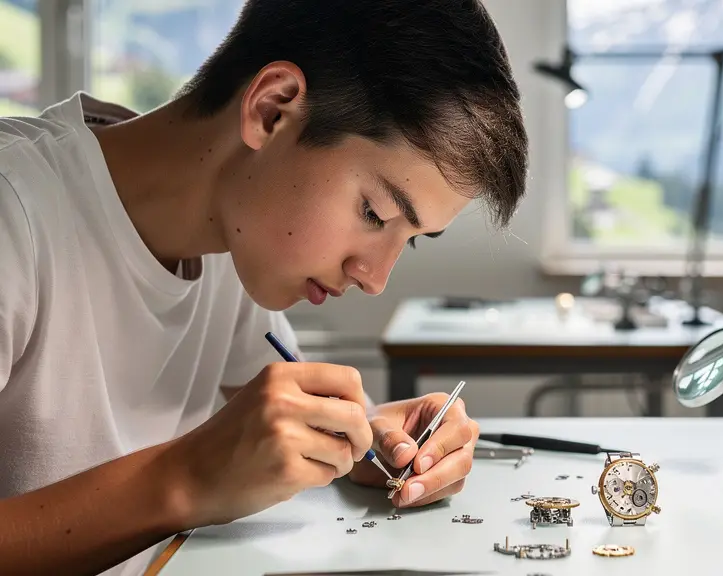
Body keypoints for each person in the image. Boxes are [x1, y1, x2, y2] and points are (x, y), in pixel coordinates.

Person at [0, 0, 528, 574]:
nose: (375, 278)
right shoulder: (16, 215)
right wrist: (183, 480)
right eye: (374, 214)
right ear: (272, 109)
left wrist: (368, 442)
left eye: (413, 238)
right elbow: (204, 468)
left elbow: (283, 426)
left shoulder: (239, 233)